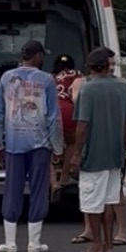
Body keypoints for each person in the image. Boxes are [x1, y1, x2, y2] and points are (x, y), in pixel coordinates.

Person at [0, 39, 62, 252]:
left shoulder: (6, 78)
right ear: (38, 56)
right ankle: (34, 242)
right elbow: (53, 117)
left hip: (14, 143)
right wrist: (57, 147)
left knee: (12, 189)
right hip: (40, 143)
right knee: (39, 190)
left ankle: (10, 241)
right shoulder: (47, 80)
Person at [73, 49, 126, 252]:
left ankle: (96, 245)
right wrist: (122, 146)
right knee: (109, 200)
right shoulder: (121, 88)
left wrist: (76, 153)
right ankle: (108, 244)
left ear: (89, 67)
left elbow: (82, 125)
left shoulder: (88, 89)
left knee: (92, 203)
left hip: (94, 156)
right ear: (108, 66)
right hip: (114, 156)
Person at [53, 54, 83, 191]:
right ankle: (64, 176)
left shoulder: (49, 77)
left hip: (51, 110)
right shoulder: (77, 75)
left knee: (47, 145)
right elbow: (77, 97)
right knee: (72, 142)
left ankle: (51, 180)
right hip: (67, 110)